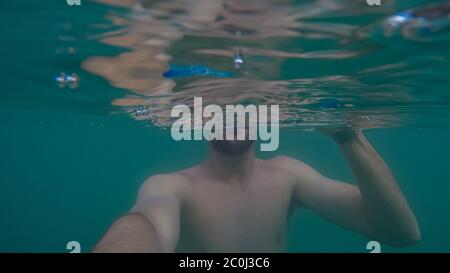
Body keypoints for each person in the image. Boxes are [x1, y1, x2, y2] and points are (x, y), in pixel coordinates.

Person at [93, 127, 420, 252]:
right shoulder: (171, 186)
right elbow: (144, 225)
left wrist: (347, 135)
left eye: (244, 102)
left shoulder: (287, 174)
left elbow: (398, 232)